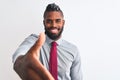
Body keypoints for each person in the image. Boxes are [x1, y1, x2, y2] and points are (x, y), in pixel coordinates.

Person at [12, 3, 83, 80]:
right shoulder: (34, 41)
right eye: (49, 21)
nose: (53, 25)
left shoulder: (73, 50)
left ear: (63, 23)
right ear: (44, 23)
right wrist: (22, 61)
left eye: (58, 21)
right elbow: (18, 55)